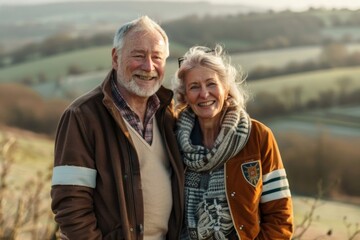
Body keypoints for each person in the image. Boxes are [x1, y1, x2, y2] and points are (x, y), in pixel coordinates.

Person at [51, 16, 184, 240]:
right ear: (115, 58)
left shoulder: (170, 114)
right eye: (139, 55)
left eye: (157, 57)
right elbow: (70, 205)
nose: (148, 66)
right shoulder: (82, 116)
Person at [172, 45, 293, 240]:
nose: (204, 94)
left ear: (226, 87)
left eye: (211, 84)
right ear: (184, 95)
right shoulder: (172, 139)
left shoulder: (258, 137)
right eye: (194, 86)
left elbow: (280, 217)